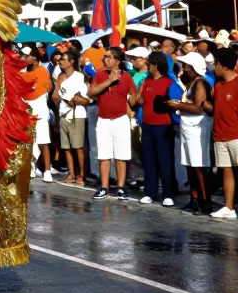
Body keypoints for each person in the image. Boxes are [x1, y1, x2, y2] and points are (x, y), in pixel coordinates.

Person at [87, 46, 138, 200]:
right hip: (103, 119)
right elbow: (91, 92)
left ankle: (121, 187)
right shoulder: (100, 74)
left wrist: (133, 98)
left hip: (121, 119)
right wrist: (109, 81)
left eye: (108, 57)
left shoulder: (127, 76)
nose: (105, 59)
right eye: (105, 57)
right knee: (104, 154)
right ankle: (104, 186)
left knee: (121, 155)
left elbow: (133, 97)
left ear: (117, 60)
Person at [167, 51, 214, 215]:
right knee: (190, 165)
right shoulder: (193, 82)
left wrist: (177, 105)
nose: (184, 68)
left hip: (197, 128)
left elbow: (197, 107)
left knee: (199, 166)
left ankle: (205, 201)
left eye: (186, 66)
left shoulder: (200, 83)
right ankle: (195, 198)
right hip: (188, 128)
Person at [133, 52, 176, 206]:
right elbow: (140, 100)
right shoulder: (147, 80)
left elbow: (174, 103)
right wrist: (141, 87)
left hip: (163, 125)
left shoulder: (169, 81)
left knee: (165, 159)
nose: (147, 65)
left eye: (149, 63)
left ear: (155, 65)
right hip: (147, 124)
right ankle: (150, 192)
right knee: (149, 159)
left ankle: (168, 193)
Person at [206, 49, 238, 219]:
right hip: (220, 136)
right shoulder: (218, 86)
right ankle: (229, 207)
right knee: (226, 171)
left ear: (222, 65)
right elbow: (217, 109)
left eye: (215, 63)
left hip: (236, 136)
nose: (213, 67)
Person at [55, 51, 89, 186]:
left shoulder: (80, 77)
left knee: (78, 147)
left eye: (63, 59)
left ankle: (82, 175)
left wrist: (76, 99)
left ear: (71, 62)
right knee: (66, 147)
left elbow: (86, 99)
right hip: (63, 113)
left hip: (76, 114)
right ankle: (71, 174)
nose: (60, 61)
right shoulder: (60, 77)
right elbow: (56, 95)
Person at [21, 49, 54, 181]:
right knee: (28, 142)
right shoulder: (22, 72)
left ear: (34, 57)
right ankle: (31, 166)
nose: (25, 58)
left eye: (27, 56)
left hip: (40, 111)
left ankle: (47, 170)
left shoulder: (43, 71)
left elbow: (43, 88)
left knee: (43, 142)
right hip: (27, 111)